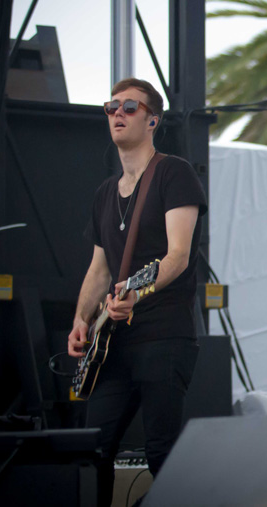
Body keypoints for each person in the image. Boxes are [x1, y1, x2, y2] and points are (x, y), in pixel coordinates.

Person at [67, 78, 206, 505]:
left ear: (152, 120)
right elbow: (98, 268)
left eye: (130, 106)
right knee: (93, 448)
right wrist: (81, 319)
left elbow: (178, 255)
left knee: (161, 451)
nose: (118, 114)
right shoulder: (105, 194)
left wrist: (134, 292)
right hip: (113, 344)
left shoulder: (172, 172)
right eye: (111, 107)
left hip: (164, 334)